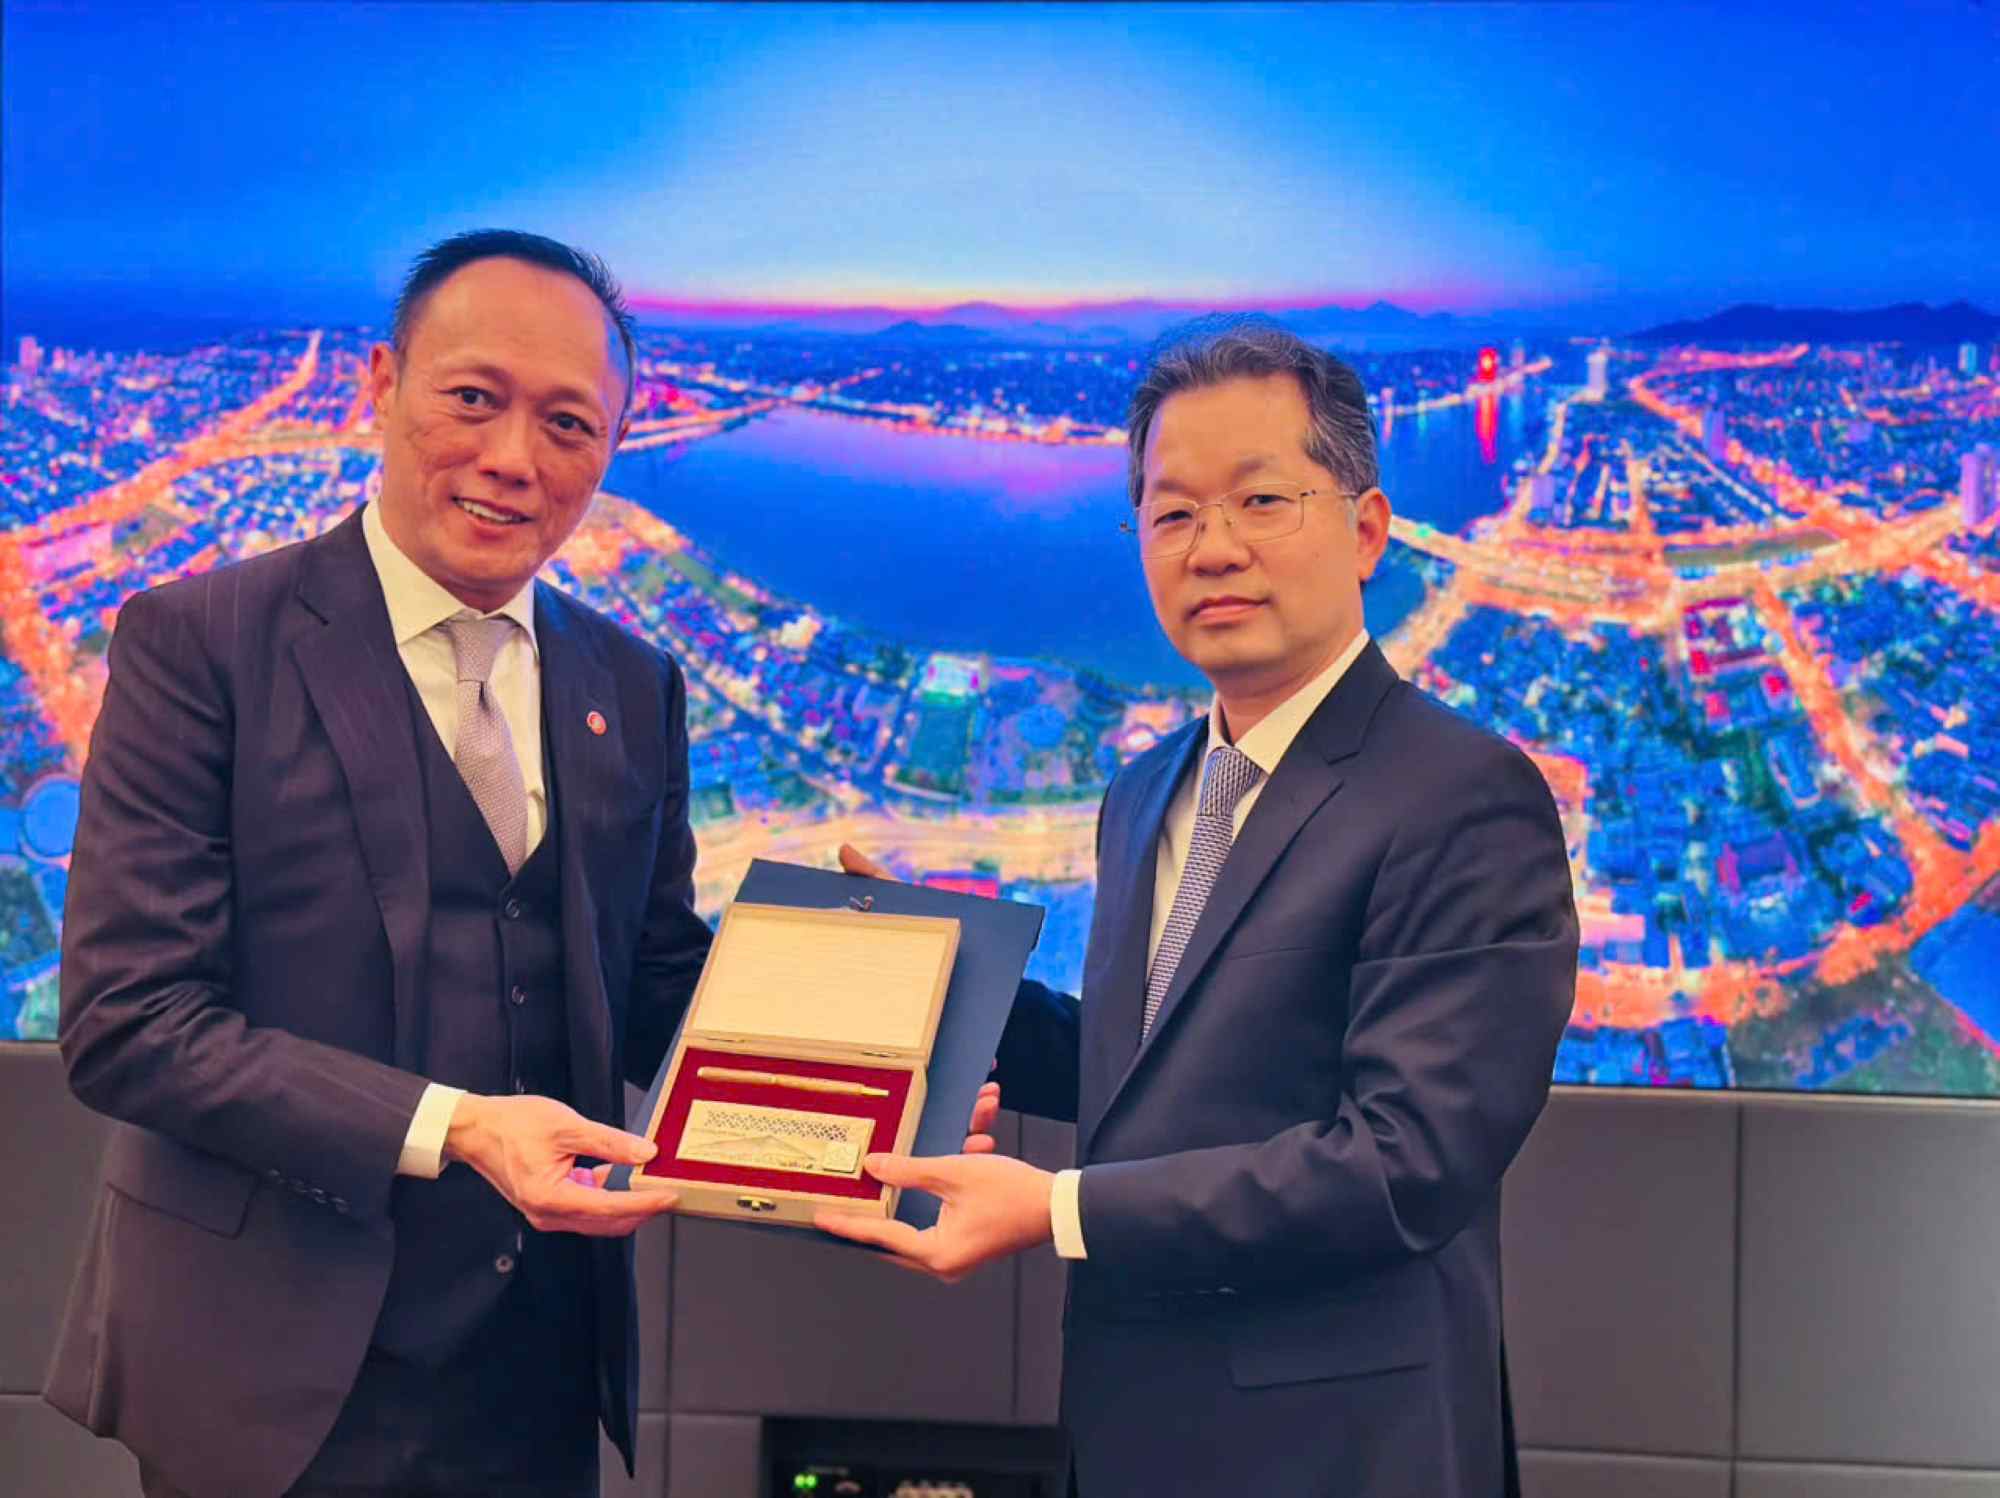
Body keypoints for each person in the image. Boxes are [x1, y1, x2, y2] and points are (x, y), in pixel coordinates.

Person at [823, 321, 1578, 1496]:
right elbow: (1141, 1078)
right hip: (1128, 1429)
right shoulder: (1144, 793)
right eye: (1171, 515)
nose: (1212, 547)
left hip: (1343, 1449)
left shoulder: (1462, 795)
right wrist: (934, 968)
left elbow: (1402, 1161)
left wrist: (1057, 1207)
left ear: (1367, 529)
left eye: (1261, 499)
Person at [45, 229, 713, 1498]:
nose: (514, 459)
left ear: (612, 449)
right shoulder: (203, 643)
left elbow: (653, 982)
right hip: (266, 1369)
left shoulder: (629, 683)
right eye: (473, 398)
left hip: (537, 1372)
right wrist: (456, 1129)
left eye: (570, 423)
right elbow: (130, 1021)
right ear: (378, 385)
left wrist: (878, 1055)